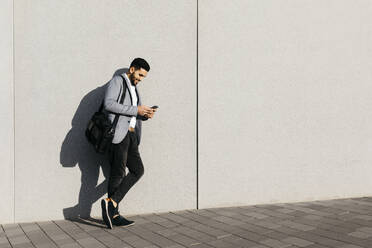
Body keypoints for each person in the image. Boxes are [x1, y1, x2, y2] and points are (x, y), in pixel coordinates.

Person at [101, 58, 156, 228]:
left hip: (131, 135)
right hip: (119, 134)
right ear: (132, 69)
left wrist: (144, 115)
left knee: (138, 170)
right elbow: (108, 104)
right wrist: (136, 110)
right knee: (118, 173)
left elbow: (133, 113)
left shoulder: (134, 88)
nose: (140, 79)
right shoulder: (117, 81)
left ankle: (112, 203)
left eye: (143, 77)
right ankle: (114, 214)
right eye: (139, 75)